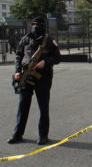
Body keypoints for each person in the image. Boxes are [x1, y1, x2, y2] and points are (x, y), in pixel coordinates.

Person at [8, 17, 61, 145]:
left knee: (43, 107)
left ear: (43, 26)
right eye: (33, 24)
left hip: (43, 78)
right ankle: (17, 134)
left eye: (38, 24)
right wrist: (17, 71)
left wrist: (45, 62)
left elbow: (57, 57)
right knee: (22, 106)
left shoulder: (49, 40)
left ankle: (43, 136)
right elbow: (19, 55)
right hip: (26, 77)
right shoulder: (26, 39)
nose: (35, 26)